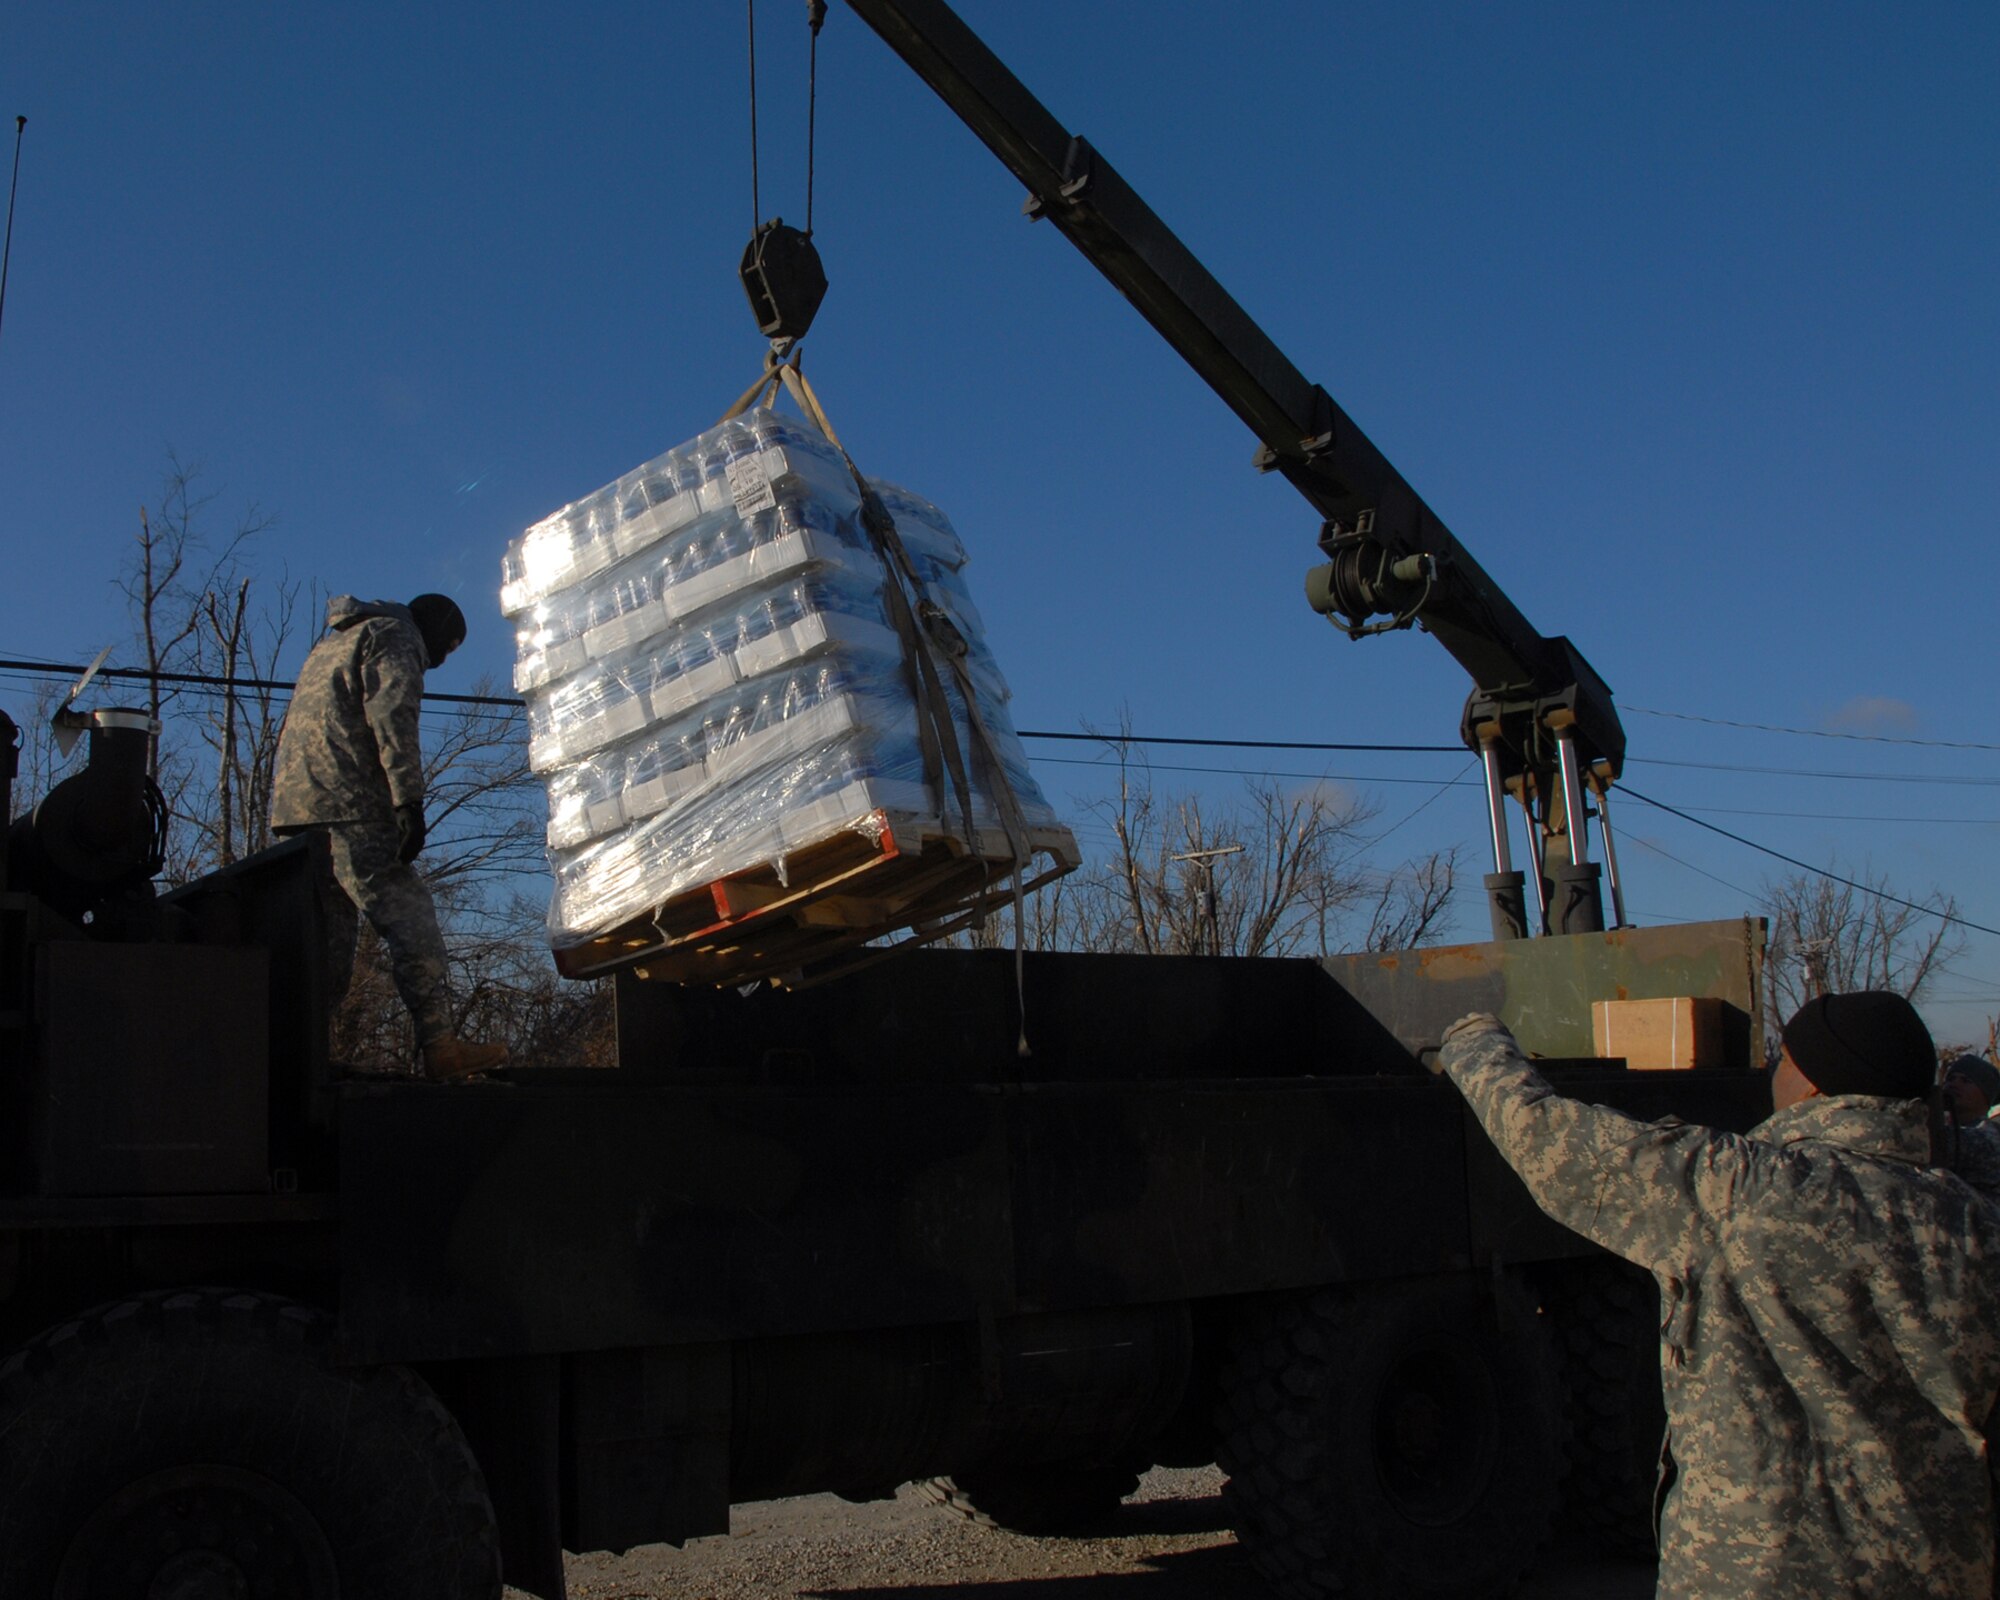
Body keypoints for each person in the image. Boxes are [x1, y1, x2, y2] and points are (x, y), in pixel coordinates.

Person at [1435, 991, 2000, 1598]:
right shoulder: (1975, 1223)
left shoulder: (1738, 1189)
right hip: (1940, 1566)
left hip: (1762, 1575)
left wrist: (1473, 1038)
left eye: (1784, 1060)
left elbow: (1542, 1135)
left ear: (1813, 1086)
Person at [271, 593, 507, 1081]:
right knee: (411, 918)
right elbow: (393, 713)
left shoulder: (334, 642)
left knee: (325, 947)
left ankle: (299, 1059)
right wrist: (408, 801)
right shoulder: (397, 636)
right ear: (437, 632)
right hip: (351, 805)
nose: (439, 662)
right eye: (447, 650)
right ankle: (441, 1046)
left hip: (299, 813)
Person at [1944, 1053, 2000, 1204]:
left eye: (1966, 1081)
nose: (1954, 1084)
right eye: (1950, 1079)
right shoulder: (1954, 1128)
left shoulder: (1988, 1137)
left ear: (1985, 1095)